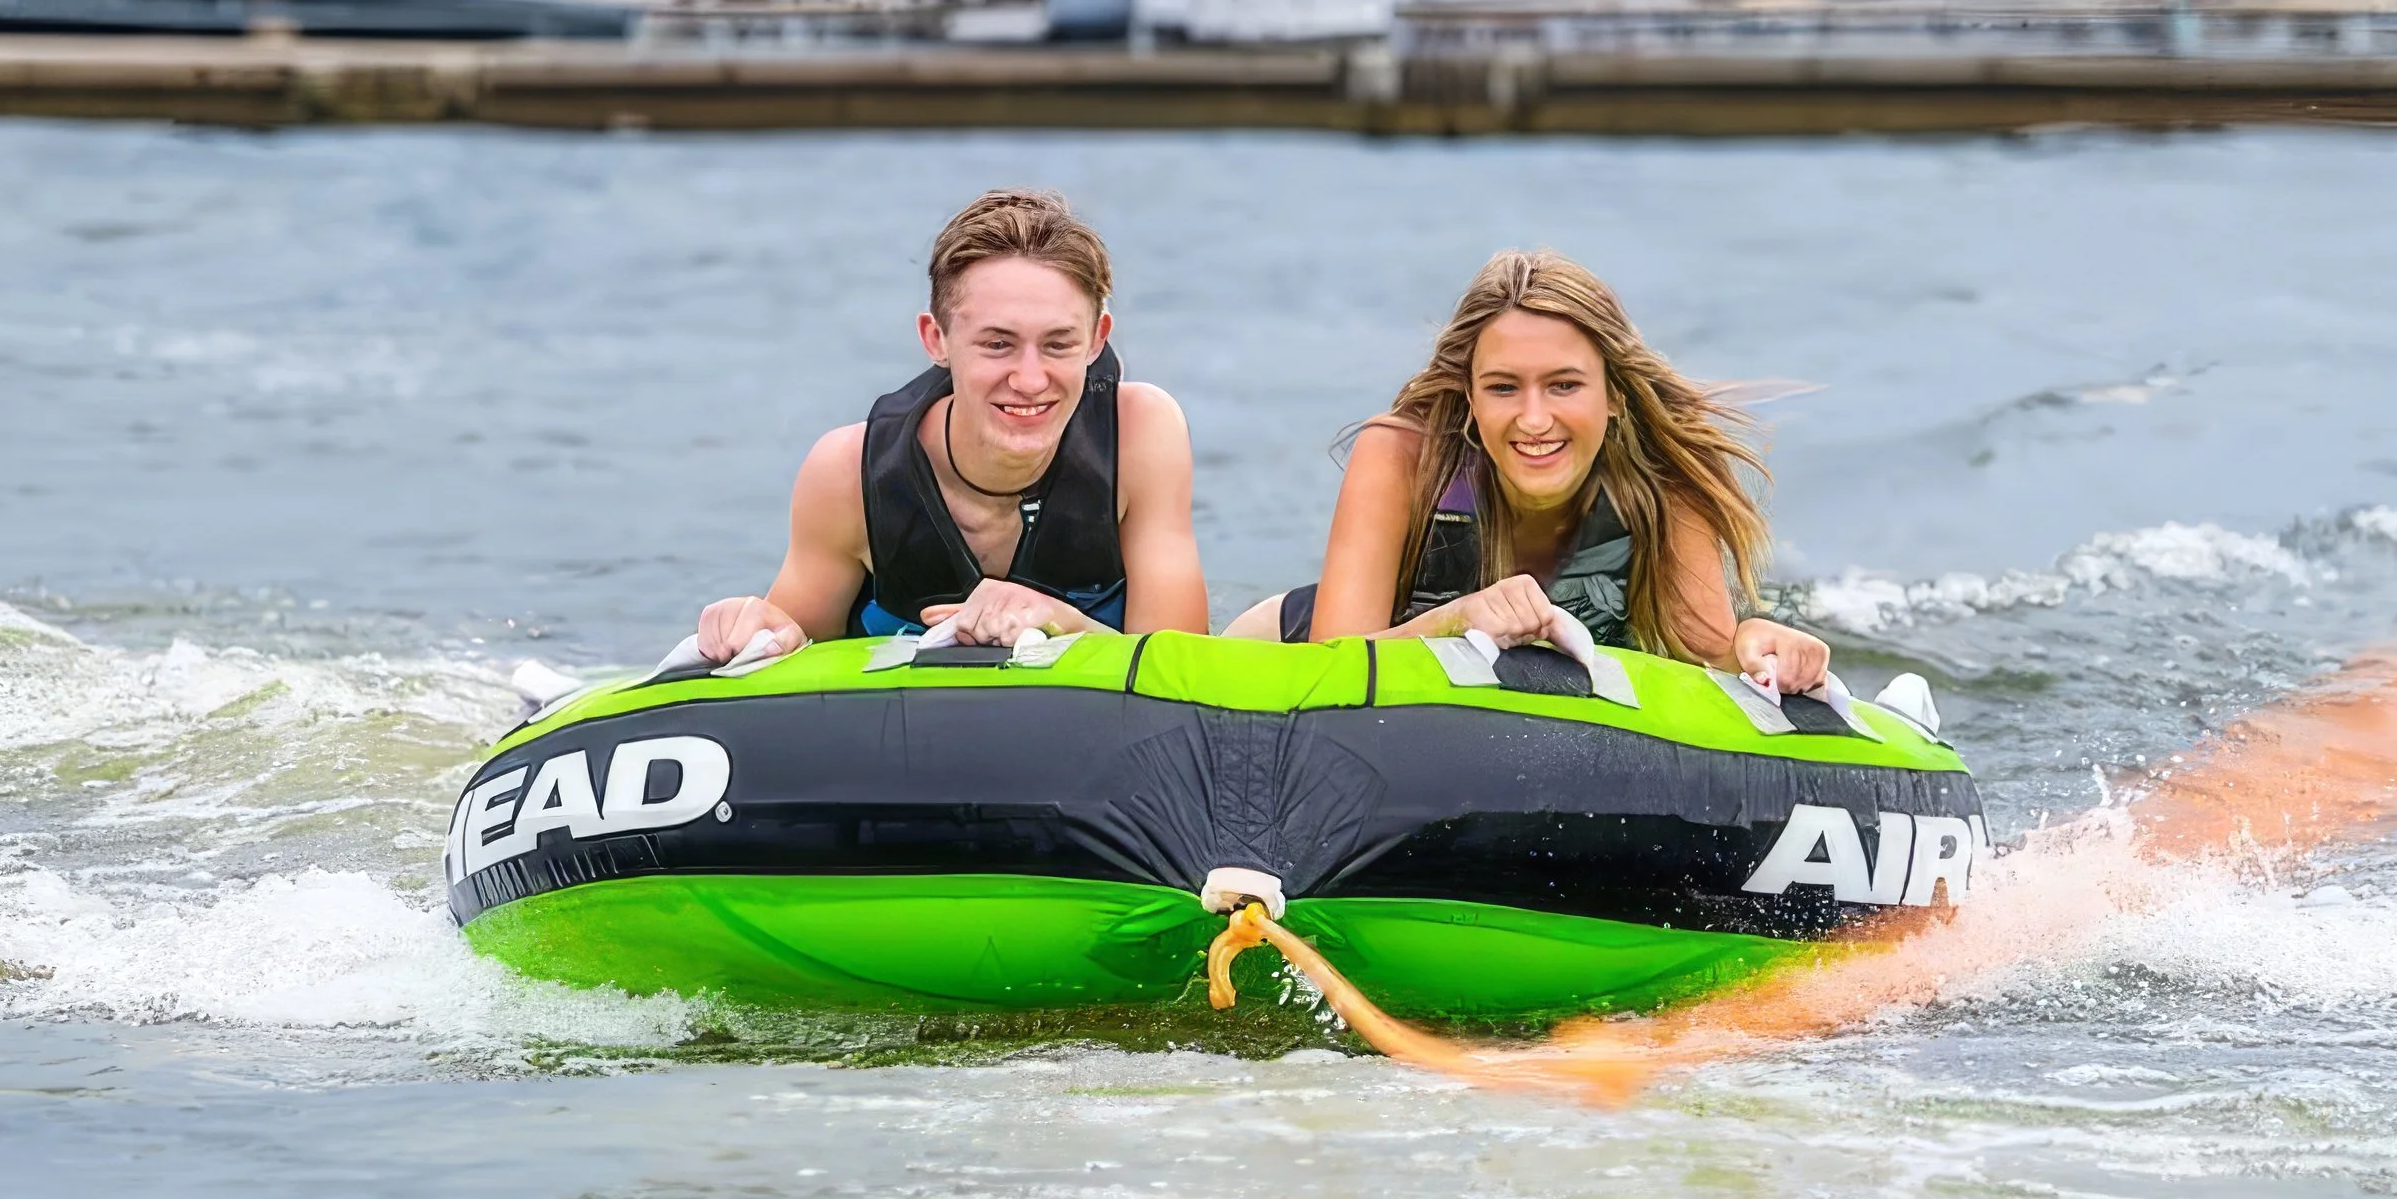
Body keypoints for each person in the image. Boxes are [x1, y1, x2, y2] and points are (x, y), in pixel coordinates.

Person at [1224, 248, 1831, 691]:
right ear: (1470, 395)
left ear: (1614, 394)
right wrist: (1460, 618)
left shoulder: (1664, 485)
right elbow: (1331, 666)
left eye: (1564, 385)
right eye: (1504, 387)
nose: (1534, 419)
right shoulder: (1402, 457)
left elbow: (1706, 660)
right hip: (1290, 643)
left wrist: (1757, 646)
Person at [695, 189, 1208, 658]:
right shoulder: (847, 472)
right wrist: (754, 627)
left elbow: (1184, 666)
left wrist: (1065, 623)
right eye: (997, 344)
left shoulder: (1141, 432)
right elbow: (792, 648)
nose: (1030, 380)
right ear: (935, 339)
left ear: (1097, 340)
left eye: (1058, 344)